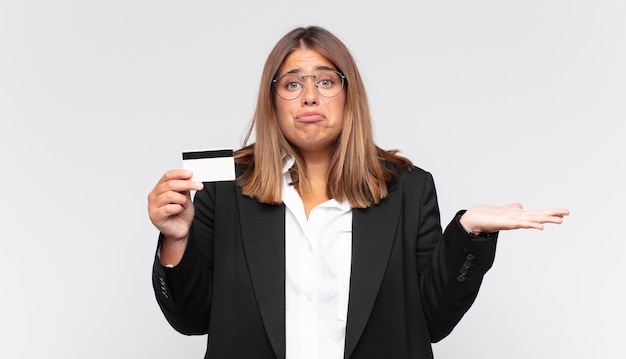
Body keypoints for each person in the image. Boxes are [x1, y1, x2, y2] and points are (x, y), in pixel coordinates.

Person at [147, 25, 569, 359]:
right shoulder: (225, 190)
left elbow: (432, 322)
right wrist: (176, 238)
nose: (309, 95)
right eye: (292, 84)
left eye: (326, 81)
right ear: (272, 99)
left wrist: (469, 233)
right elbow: (190, 318)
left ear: (349, 95)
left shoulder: (409, 188)